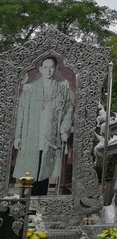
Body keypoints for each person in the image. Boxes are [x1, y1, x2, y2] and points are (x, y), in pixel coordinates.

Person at [13, 56, 75, 195]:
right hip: (31, 135)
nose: (48, 70)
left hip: (50, 138)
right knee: (28, 171)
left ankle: (37, 209)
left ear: (55, 69)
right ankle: (24, 205)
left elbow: (68, 111)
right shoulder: (29, 89)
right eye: (45, 67)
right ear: (40, 69)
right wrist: (17, 137)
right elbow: (21, 114)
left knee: (43, 171)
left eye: (51, 67)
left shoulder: (61, 89)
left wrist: (64, 129)